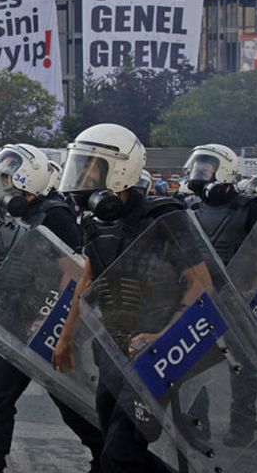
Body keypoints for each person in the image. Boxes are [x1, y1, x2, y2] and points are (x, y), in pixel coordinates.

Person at [53, 124, 182, 473]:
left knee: (120, 454)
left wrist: (165, 337)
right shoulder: (95, 223)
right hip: (110, 351)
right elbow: (87, 282)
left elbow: (201, 286)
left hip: (155, 355)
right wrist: (65, 337)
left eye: (91, 166)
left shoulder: (165, 217)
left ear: (121, 170)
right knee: (114, 444)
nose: (83, 175)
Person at [0, 144, 104, 473]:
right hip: (16, 321)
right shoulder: (19, 216)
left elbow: (73, 272)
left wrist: (53, 322)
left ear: (28, 180)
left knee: (71, 402)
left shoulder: (54, 214)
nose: (0, 185)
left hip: (46, 325)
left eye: (6, 178)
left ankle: (106, 458)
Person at [185, 143, 257, 447]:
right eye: (199, 165)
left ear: (226, 170)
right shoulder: (192, 209)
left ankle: (243, 425)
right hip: (202, 297)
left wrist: (250, 288)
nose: (201, 172)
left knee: (241, 365)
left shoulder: (252, 207)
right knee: (191, 366)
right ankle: (196, 424)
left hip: (238, 298)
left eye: (208, 166)